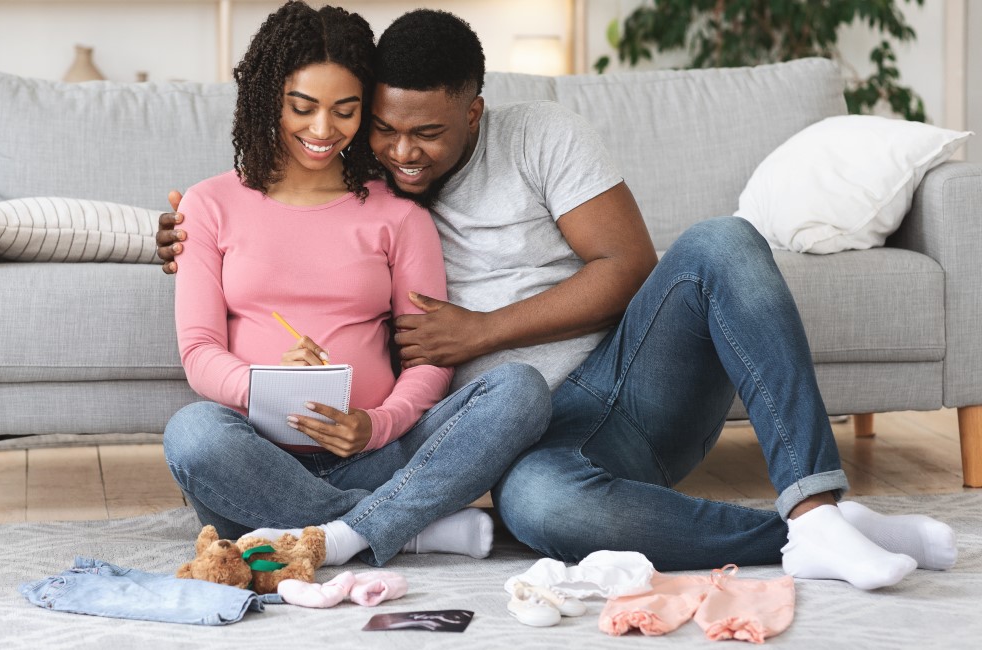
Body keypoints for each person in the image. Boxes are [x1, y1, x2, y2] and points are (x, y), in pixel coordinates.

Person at [160, 9, 957, 589]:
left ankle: (816, 503)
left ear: (473, 111)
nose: (404, 151)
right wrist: (175, 235)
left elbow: (630, 264)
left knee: (721, 242)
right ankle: (803, 537)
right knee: (539, 512)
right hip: (533, 446)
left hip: (624, 384)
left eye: (428, 133)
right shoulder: (371, 182)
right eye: (384, 129)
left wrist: (478, 333)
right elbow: (273, 215)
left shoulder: (532, 139)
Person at [162, 1, 550, 570]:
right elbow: (198, 353)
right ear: (270, 97)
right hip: (258, 460)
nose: (323, 131)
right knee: (192, 434)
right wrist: (266, 385)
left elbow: (430, 361)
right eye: (303, 107)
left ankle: (329, 529)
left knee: (520, 390)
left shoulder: (400, 215)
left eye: (345, 111)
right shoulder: (209, 204)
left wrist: (375, 425)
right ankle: (399, 526)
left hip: (381, 454)